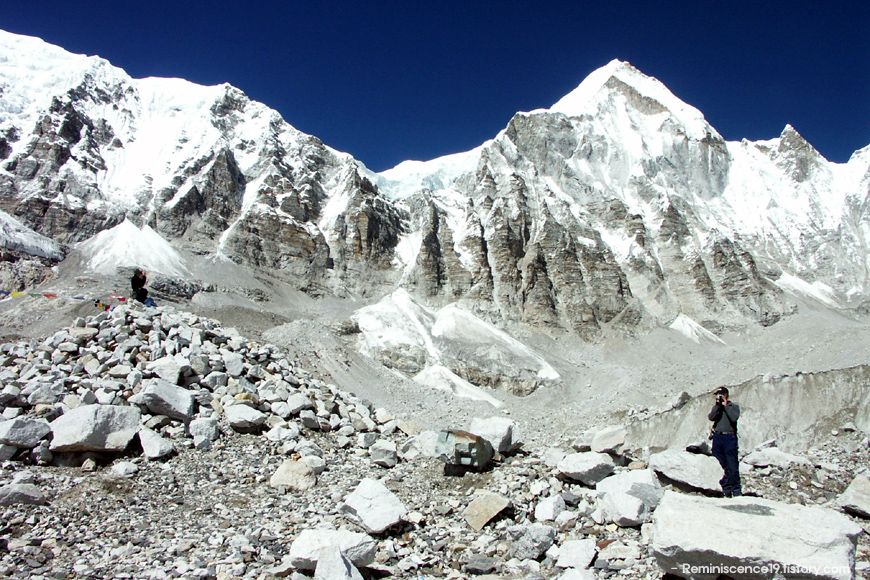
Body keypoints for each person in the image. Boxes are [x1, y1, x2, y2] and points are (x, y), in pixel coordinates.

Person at [708, 386, 742, 497]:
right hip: (718, 437)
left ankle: (736, 490)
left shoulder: (733, 407)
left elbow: (734, 418)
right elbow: (711, 417)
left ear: (726, 395)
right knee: (720, 464)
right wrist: (718, 406)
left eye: (721, 395)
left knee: (732, 464)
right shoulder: (717, 408)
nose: (719, 397)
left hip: (729, 437)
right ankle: (725, 489)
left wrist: (725, 405)